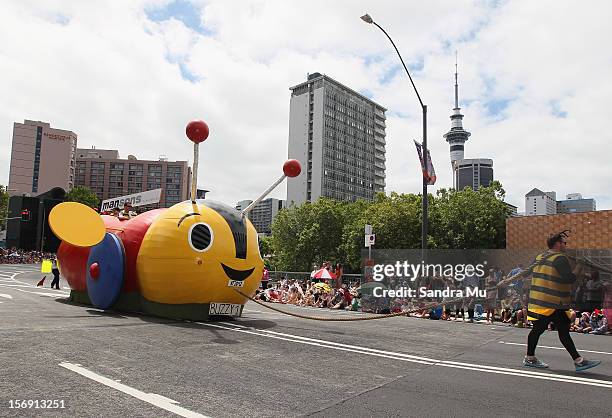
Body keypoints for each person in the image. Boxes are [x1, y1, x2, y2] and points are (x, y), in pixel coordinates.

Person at [523, 231, 601, 371]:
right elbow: (569, 279)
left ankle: (531, 358)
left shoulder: (539, 256)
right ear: (558, 244)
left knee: (542, 329)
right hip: (552, 302)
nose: (565, 245)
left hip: (540, 301)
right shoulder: (560, 258)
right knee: (558, 330)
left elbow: (527, 272)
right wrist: (579, 266)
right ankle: (578, 361)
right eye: (564, 243)